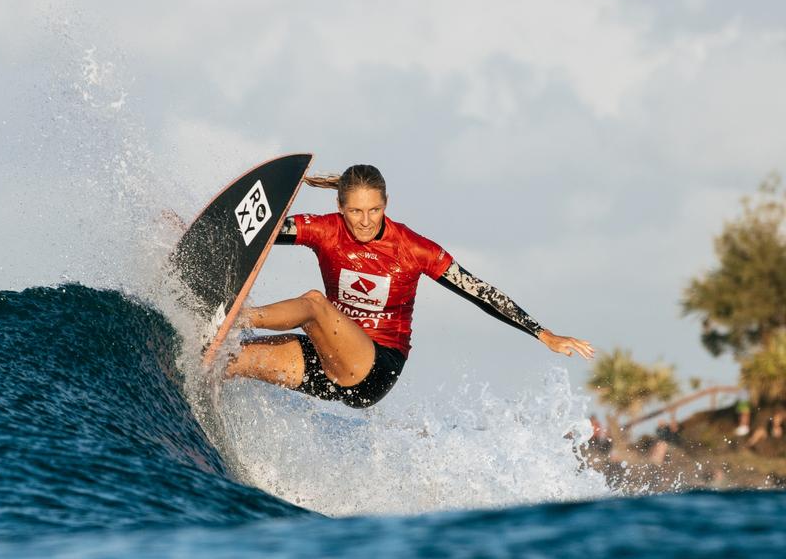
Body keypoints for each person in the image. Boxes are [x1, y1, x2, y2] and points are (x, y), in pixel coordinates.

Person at [225, 164, 594, 407]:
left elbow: (479, 291)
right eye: (355, 212)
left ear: (386, 204)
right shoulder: (326, 229)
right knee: (228, 360)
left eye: (374, 210)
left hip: (377, 368)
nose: (365, 221)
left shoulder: (414, 249)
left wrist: (542, 333)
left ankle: (234, 317)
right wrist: (209, 234)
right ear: (340, 207)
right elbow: (259, 233)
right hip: (331, 357)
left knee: (313, 303)